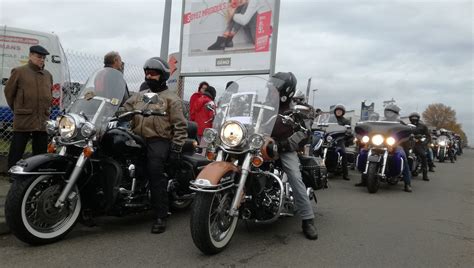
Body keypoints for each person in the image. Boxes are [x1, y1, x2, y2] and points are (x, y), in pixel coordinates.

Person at [123, 57, 187, 234]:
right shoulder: (140, 96)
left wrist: (176, 148)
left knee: (155, 169)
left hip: (159, 139)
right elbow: (123, 109)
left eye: (153, 73)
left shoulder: (171, 99)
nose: (149, 76)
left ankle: (161, 214)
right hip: (137, 138)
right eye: (147, 73)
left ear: (163, 75)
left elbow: (180, 126)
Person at [270, 72, 318, 240]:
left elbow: (304, 133)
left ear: (287, 89)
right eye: (272, 82)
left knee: (294, 176)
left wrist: (285, 144)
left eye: (277, 83)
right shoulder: (263, 105)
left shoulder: (295, 110)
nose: (273, 86)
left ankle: (307, 219)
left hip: (283, 148)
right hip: (259, 144)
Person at [4, 45, 53, 169]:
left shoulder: (48, 75)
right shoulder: (19, 72)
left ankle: (37, 177)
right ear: (30, 56)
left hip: (42, 119)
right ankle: (13, 175)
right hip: (24, 119)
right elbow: (9, 93)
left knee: (41, 152)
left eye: (43, 58)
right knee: (17, 150)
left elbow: (49, 94)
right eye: (38, 57)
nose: (41, 60)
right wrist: (18, 109)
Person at [355, 104, 412, 192]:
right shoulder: (380, 122)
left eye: (391, 111)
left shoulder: (400, 123)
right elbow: (372, 130)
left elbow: (406, 131)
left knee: (404, 157)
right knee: (364, 153)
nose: (389, 113)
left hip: (395, 145)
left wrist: (410, 129)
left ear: (396, 113)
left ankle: (407, 183)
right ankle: (364, 180)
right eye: (387, 111)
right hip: (378, 143)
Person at [409, 112, 430, 181]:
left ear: (418, 119)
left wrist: (423, 142)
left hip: (418, 144)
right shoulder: (406, 126)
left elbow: (428, 137)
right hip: (407, 144)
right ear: (410, 119)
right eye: (412, 118)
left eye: (415, 118)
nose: (414, 120)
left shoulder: (423, 126)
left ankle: (425, 174)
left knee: (423, 155)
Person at [333, 104, 352, 180]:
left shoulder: (345, 121)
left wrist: (347, 133)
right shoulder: (331, 119)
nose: (338, 112)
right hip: (330, 139)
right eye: (337, 110)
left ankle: (345, 174)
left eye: (340, 111)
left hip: (339, 139)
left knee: (343, 153)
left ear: (342, 112)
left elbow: (349, 131)